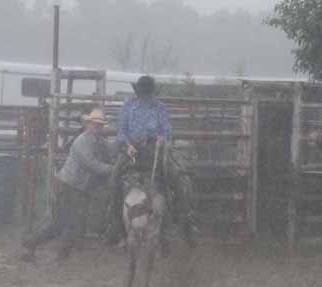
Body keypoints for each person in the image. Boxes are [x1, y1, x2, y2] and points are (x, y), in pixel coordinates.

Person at [105, 75, 195, 250]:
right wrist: (128, 144)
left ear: (151, 93)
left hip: (154, 149)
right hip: (132, 150)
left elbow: (167, 130)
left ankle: (184, 223)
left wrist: (163, 138)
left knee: (175, 177)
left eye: (147, 94)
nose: (145, 97)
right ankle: (114, 227)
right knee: (113, 180)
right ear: (138, 92)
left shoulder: (159, 107)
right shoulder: (128, 106)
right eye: (142, 93)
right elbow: (121, 131)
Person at [21, 109, 116, 261]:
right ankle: (34, 243)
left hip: (78, 187)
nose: (98, 127)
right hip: (68, 185)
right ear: (89, 125)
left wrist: (126, 146)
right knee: (62, 223)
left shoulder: (98, 141)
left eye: (100, 125)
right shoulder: (81, 141)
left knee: (72, 224)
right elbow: (91, 164)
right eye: (95, 125)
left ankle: (54, 252)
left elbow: (112, 149)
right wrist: (114, 169)